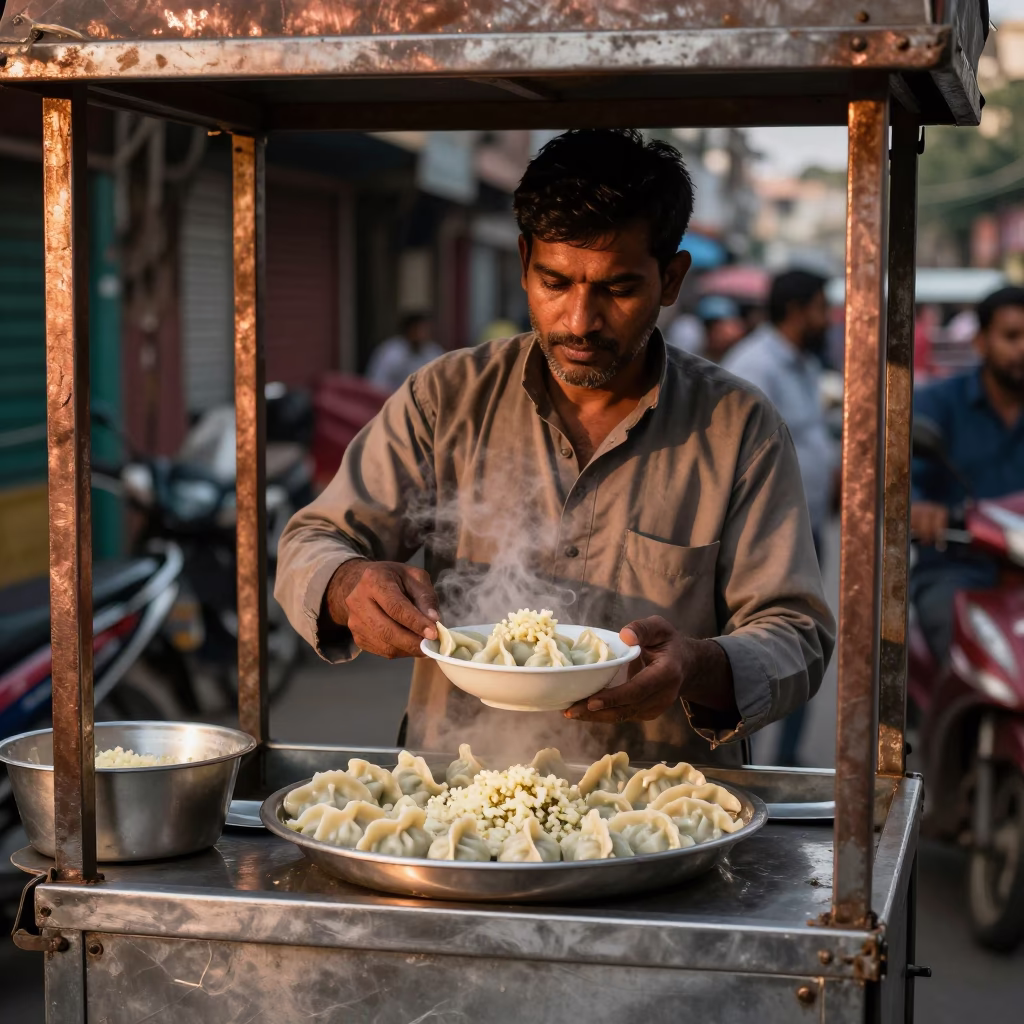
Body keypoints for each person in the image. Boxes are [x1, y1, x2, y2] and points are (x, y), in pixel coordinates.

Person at [275, 129, 835, 766]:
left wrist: (700, 664)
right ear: (522, 265)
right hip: (454, 801)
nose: (579, 321)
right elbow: (310, 541)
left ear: (672, 278)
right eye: (555, 282)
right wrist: (348, 582)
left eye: (618, 289)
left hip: (660, 811)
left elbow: (798, 634)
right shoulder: (446, 398)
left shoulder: (739, 428)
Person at [721, 270, 838, 766]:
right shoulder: (753, 366)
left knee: (800, 646)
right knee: (753, 655)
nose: (827, 319)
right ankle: (752, 768)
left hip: (806, 524)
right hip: (761, 536)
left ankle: (787, 763)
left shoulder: (803, 364)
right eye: (820, 307)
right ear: (796, 310)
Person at [910, 286, 1024, 664]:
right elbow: (903, 480)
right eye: (1011, 337)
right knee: (961, 651)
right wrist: (922, 509)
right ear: (980, 341)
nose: (1022, 348)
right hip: (955, 570)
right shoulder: (938, 403)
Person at [366, 312, 444, 394]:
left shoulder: (433, 352)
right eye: (418, 329)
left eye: (425, 330)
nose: (422, 334)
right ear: (408, 330)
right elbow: (377, 385)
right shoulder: (391, 353)